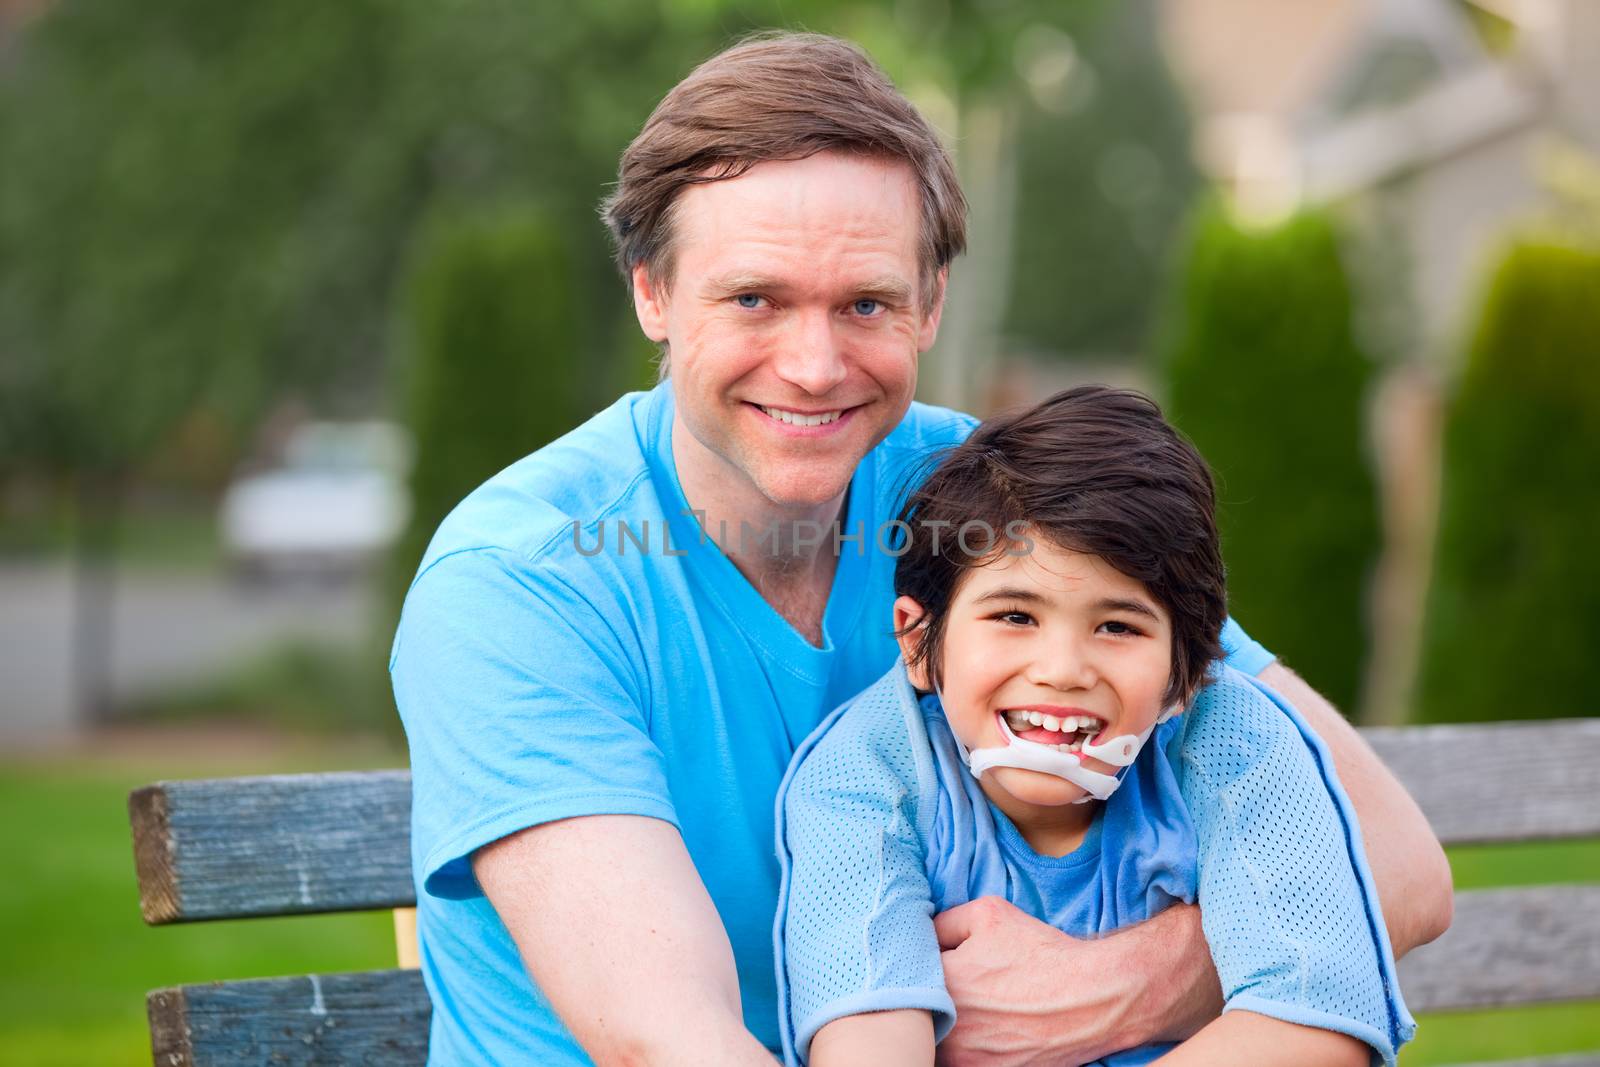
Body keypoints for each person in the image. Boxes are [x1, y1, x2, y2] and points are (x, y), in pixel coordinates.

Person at [390, 31, 1451, 1066]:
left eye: (865, 303)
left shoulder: (1001, 500)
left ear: (930, 304)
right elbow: (669, 1040)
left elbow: (1401, 870)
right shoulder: (522, 581)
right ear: (652, 292)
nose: (813, 365)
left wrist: (1124, 980)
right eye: (754, 297)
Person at [776, 386, 1412, 1067]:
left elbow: (1322, 1024)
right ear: (917, 639)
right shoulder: (864, 772)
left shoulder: (1236, 743)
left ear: (1185, 674)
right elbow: (868, 1044)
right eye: (1015, 616)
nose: (1062, 669)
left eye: (1117, 625)